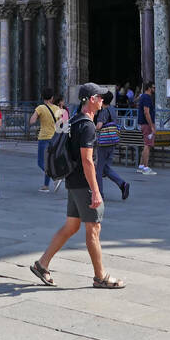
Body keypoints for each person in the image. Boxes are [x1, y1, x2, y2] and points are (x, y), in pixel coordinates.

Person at [30, 83, 125, 289]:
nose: (102, 101)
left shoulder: (72, 120)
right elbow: (87, 160)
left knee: (71, 226)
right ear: (91, 99)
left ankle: (42, 264)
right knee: (93, 229)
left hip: (72, 182)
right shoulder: (88, 126)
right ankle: (100, 277)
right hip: (84, 184)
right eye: (100, 97)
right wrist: (96, 191)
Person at [94, 91, 129, 201]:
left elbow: (99, 126)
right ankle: (122, 184)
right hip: (112, 141)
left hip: (103, 142)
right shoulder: (113, 110)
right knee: (105, 168)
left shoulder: (103, 112)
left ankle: (99, 193)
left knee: (99, 170)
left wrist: (92, 127)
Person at [30, 89, 60, 192]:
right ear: (52, 98)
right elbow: (63, 123)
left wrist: (38, 117)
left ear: (42, 97)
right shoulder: (57, 108)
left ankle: (54, 176)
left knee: (40, 162)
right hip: (54, 138)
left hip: (44, 138)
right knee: (48, 162)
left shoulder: (40, 108)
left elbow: (32, 121)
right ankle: (46, 186)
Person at [136, 81, 157, 176]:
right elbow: (146, 112)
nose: (154, 89)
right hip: (147, 124)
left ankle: (141, 166)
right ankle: (145, 167)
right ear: (149, 88)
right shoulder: (147, 97)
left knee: (146, 144)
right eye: (153, 87)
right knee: (147, 145)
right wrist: (152, 126)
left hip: (144, 123)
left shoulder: (143, 97)